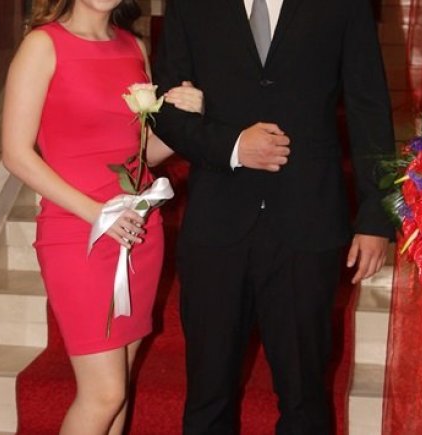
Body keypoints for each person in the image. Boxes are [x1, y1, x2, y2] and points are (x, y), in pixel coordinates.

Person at [153, 0, 395, 433]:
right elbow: (165, 112)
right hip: (216, 222)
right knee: (208, 395)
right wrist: (233, 147)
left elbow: (369, 106)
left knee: (305, 398)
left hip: (308, 220)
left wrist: (376, 215)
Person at [1, 0, 203, 433]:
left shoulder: (134, 47)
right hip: (78, 232)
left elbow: (143, 153)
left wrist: (188, 121)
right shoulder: (43, 46)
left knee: (119, 389)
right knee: (104, 393)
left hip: (138, 232)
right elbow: (16, 154)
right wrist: (98, 213)